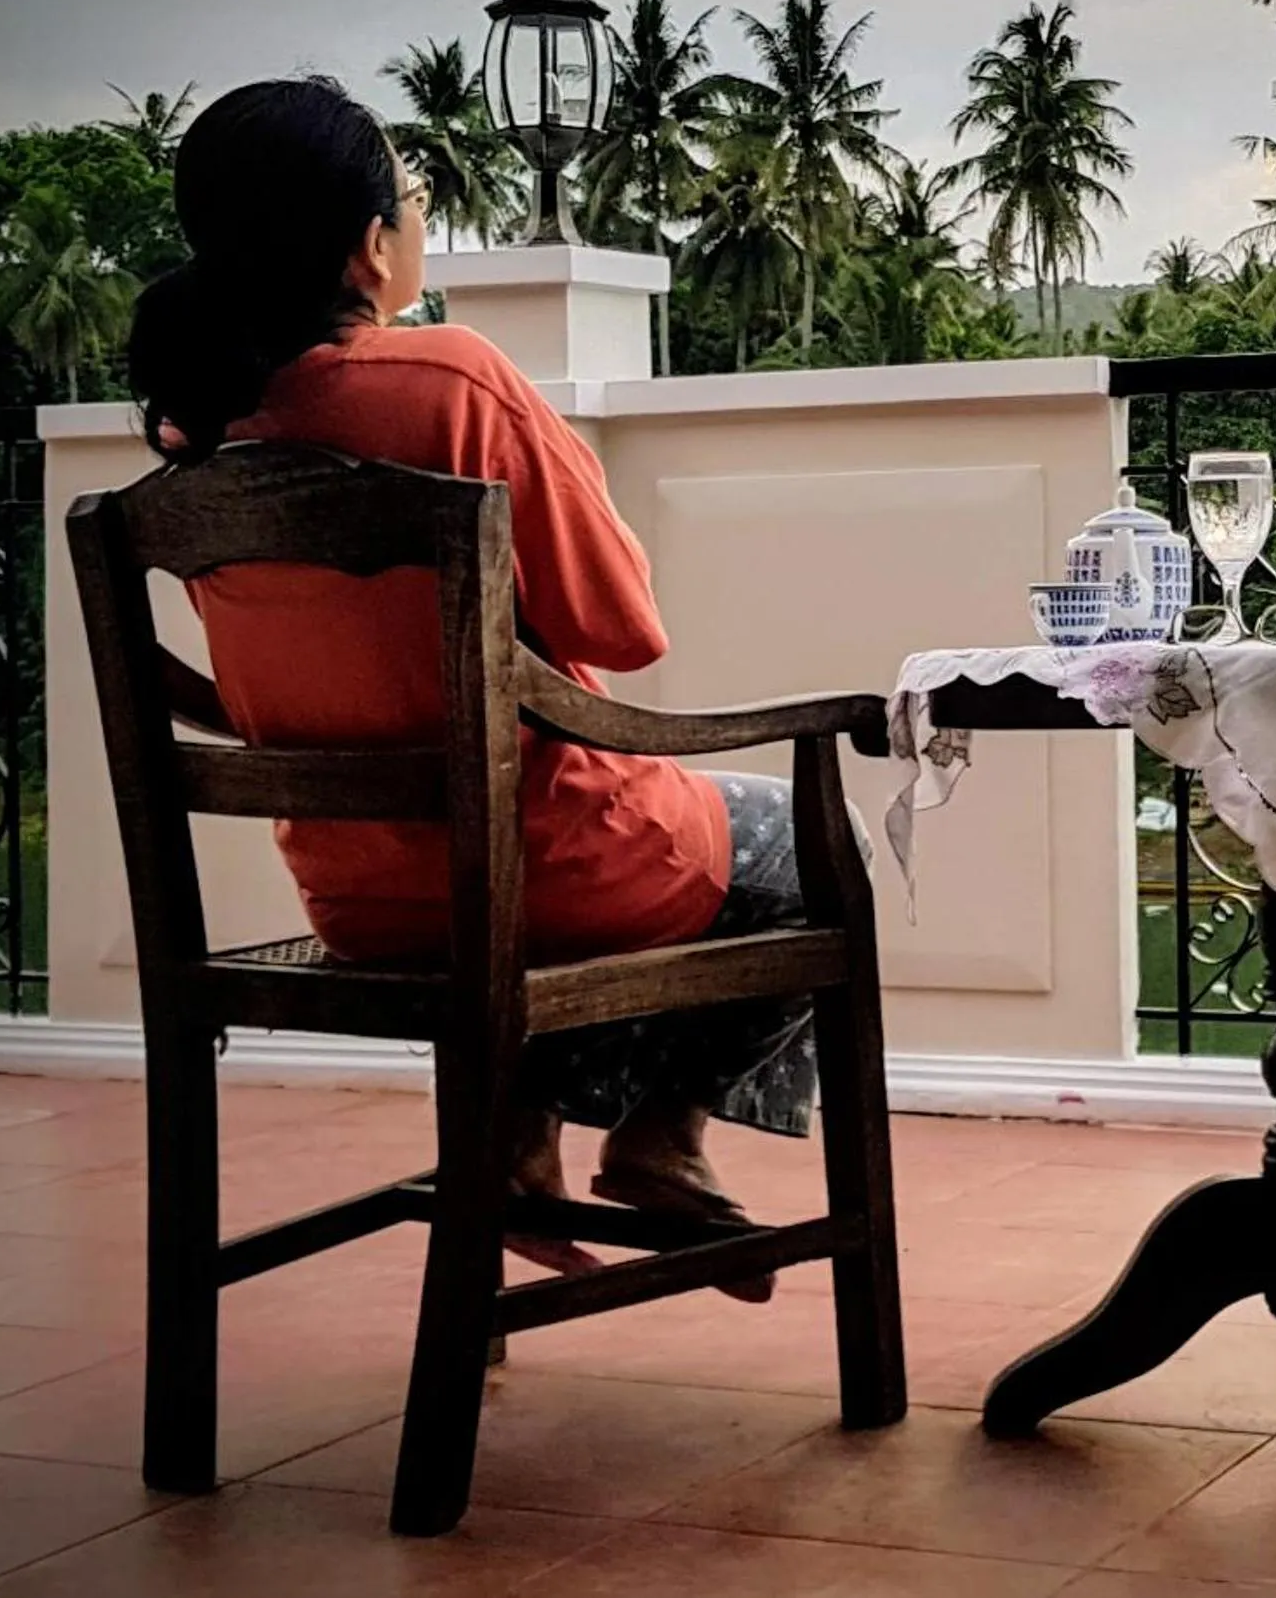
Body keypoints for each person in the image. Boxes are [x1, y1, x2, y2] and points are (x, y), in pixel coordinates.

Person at [127, 76, 821, 1301]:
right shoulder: (454, 381)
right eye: (412, 191)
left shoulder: (199, 434)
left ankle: (515, 1131)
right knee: (814, 846)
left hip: (359, 897)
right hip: (548, 867)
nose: (419, 213)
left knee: (591, 863)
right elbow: (625, 627)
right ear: (367, 242)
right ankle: (662, 1136)